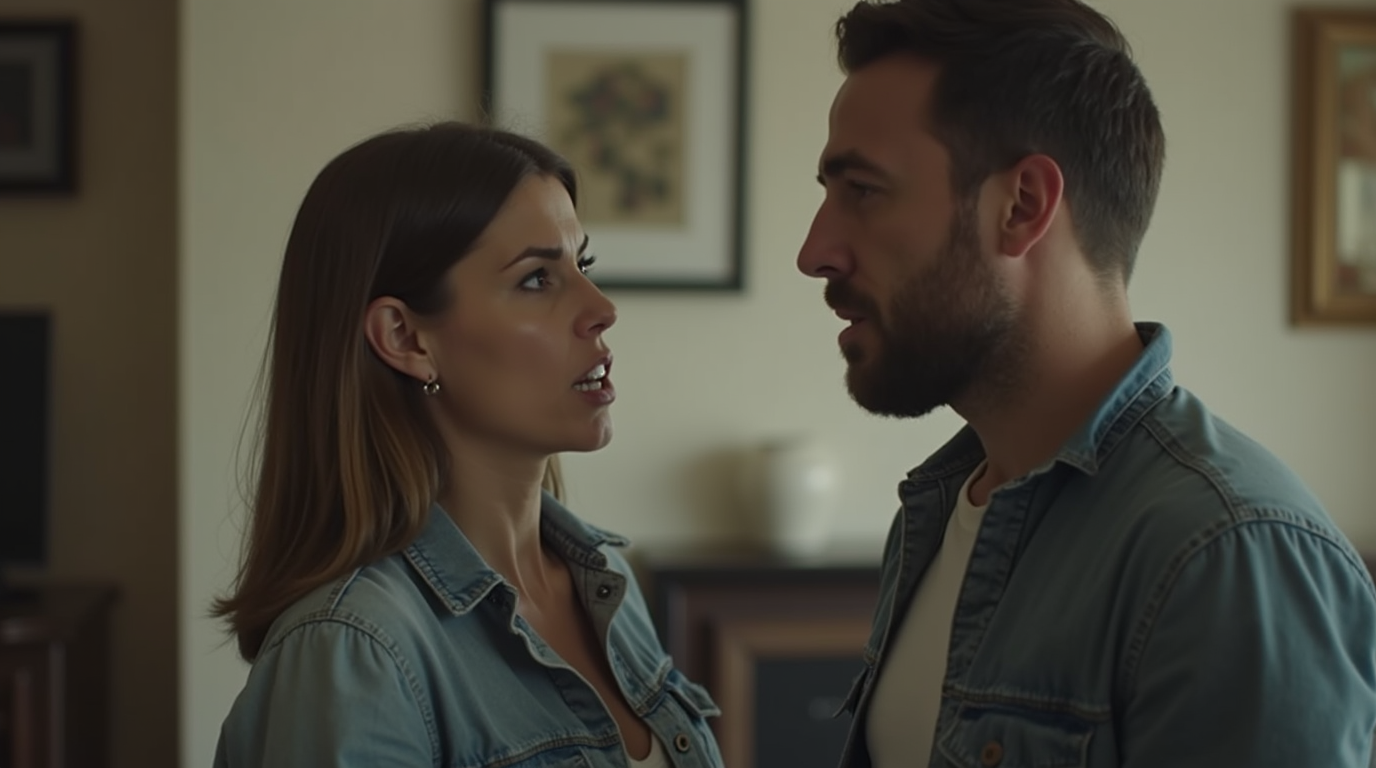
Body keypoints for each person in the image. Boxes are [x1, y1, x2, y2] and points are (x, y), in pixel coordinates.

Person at [795, 1, 1376, 766]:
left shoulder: (1230, 557)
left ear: (1023, 206)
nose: (815, 251)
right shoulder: (935, 515)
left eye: (863, 191)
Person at [211, 122, 724, 768]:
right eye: (537, 279)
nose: (602, 308)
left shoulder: (607, 583)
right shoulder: (353, 648)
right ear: (405, 338)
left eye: (583, 266)